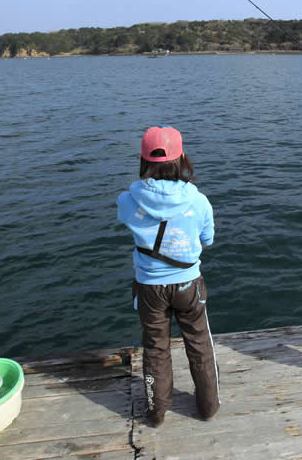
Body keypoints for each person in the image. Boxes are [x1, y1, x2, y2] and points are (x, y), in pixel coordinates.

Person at [117, 125, 220, 427]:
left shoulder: (127, 200)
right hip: (188, 284)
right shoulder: (199, 201)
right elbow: (208, 240)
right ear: (182, 158)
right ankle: (208, 407)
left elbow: (128, 220)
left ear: (143, 159)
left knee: (155, 347)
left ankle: (156, 411)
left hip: (149, 287)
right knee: (199, 344)